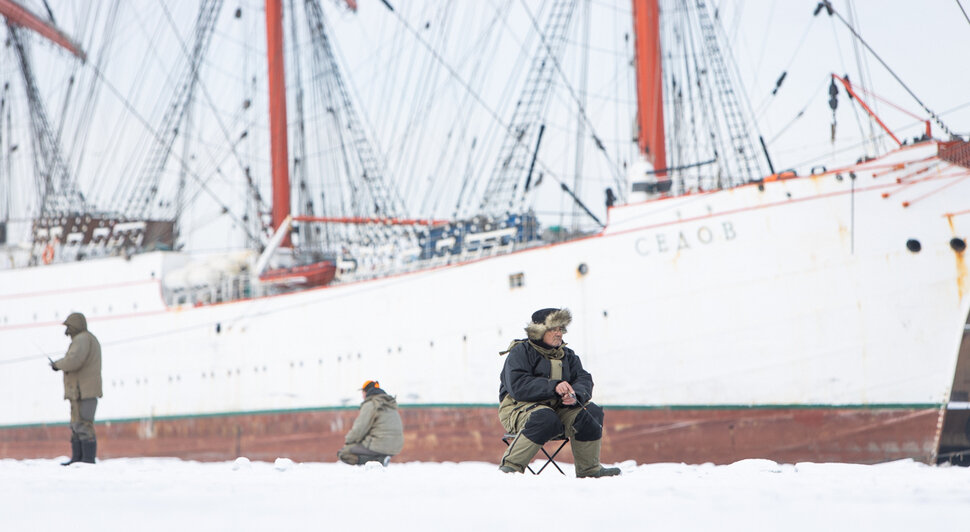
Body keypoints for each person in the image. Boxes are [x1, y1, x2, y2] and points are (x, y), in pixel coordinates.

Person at [498, 308, 620, 477]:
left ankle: (589, 470)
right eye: (553, 329)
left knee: (590, 412)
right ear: (539, 331)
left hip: (557, 412)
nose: (559, 333)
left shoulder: (567, 355)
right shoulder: (520, 352)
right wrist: (553, 387)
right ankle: (510, 468)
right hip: (519, 410)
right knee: (545, 417)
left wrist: (575, 395)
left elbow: (583, 379)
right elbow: (518, 386)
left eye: (561, 329)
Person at [50, 312, 102, 465]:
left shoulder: (82, 339)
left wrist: (57, 365)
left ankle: (86, 459)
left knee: (83, 424)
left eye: (69, 327)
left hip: (84, 391)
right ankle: (78, 458)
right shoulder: (85, 339)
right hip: (79, 391)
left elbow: (74, 360)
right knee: (76, 424)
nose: (67, 332)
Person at [337, 380, 404, 466]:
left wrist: (348, 441)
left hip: (379, 444)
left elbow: (359, 428)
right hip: (396, 446)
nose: (362, 395)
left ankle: (380, 461)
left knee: (344, 453)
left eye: (362, 392)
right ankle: (380, 460)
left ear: (366, 391)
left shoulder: (371, 404)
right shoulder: (389, 403)